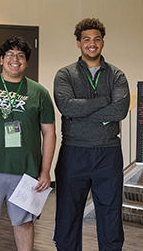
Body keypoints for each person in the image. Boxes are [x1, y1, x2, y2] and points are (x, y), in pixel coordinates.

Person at [0, 36, 56, 251]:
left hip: (25, 174)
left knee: (24, 224)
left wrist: (45, 170)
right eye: (10, 55)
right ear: (1, 59)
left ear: (26, 61)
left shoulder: (39, 92)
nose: (15, 60)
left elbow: (49, 133)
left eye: (21, 56)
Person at [53, 18, 130, 251]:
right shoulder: (65, 74)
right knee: (68, 215)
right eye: (86, 39)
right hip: (73, 153)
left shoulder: (117, 75)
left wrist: (81, 113)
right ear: (78, 44)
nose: (92, 44)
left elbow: (120, 109)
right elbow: (66, 106)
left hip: (108, 153)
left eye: (96, 39)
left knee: (110, 216)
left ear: (103, 43)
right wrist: (104, 101)